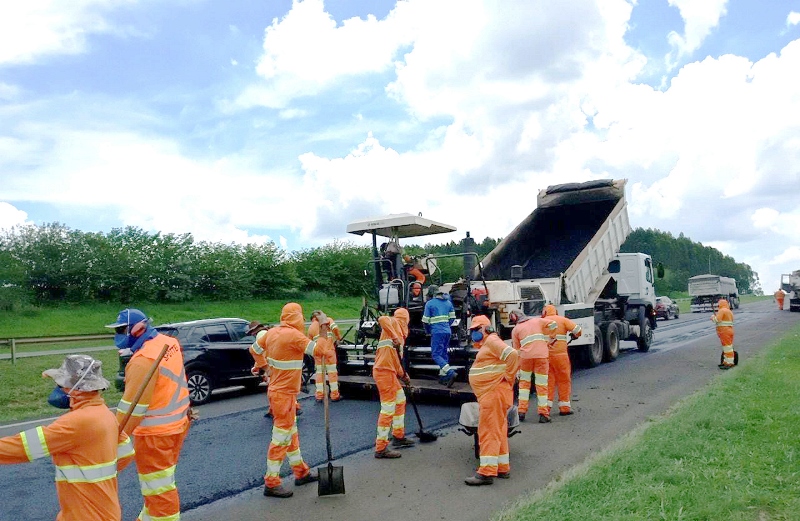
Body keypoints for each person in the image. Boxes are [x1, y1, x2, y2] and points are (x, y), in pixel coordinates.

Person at [0, 355, 135, 521]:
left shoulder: (75, 423)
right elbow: (126, 453)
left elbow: (21, 448)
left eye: (60, 384)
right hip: (104, 511)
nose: (57, 388)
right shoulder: (105, 414)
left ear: (77, 389)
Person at [107, 308, 190, 521]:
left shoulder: (142, 360)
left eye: (120, 329)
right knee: (160, 482)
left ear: (137, 329)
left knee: (159, 489)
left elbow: (131, 409)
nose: (117, 334)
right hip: (178, 424)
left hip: (155, 435)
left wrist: (113, 438)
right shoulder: (168, 343)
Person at [256, 303, 336, 498]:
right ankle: (271, 482)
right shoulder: (293, 336)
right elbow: (322, 351)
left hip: (282, 393)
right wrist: (324, 325)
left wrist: (263, 367)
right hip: (283, 394)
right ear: (296, 318)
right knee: (281, 437)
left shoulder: (272, 332)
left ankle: (301, 472)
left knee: (291, 435)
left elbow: (254, 350)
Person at [464, 315, 519, 486]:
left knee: (487, 430)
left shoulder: (492, 341)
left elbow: (513, 355)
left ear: (486, 329)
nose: (473, 333)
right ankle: (502, 467)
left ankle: (486, 472)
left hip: (493, 392)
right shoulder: (488, 343)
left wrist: (508, 378)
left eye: (476, 330)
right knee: (499, 429)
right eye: (472, 331)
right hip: (494, 392)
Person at [373, 308, 415, 459]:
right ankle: (381, 448)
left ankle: (398, 437)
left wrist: (403, 375)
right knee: (388, 409)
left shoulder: (401, 335)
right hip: (384, 372)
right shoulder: (394, 322)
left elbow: (396, 361)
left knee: (400, 400)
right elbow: (382, 319)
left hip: (389, 372)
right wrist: (394, 336)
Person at [510, 309, 557, 423]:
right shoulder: (537, 321)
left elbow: (517, 350)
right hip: (541, 356)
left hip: (525, 358)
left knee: (524, 385)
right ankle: (543, 414)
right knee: (541, 385)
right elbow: (553, 324)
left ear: (515, 319)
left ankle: (521, 412)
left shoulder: (515, 330)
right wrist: (551, 338)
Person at [542, 304, 582, 417]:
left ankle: (546, 408)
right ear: (556, 311)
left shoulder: (541, 322)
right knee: (564, 380)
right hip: (561, 356)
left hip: (546, 356)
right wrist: (575, 335)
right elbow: (578, 330)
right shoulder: (562, 320)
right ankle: (564, 407)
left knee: (548, 382)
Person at [422, 285, 457, 387]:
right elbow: (452, 318)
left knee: (436, 355)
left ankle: (450, 372)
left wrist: (428, 331)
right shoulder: (448, 302)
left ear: (431, 294)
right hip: (447, 331)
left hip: (437, 332)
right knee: (443, 353)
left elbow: (425, 321)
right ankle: (444, 377)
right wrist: (446, 326)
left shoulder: (430, 304)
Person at [307, 312, 343, 402]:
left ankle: (319, 395)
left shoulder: (311, 327)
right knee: (332, 373)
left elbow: (309, 342)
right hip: (329, 351)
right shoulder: (328, 320)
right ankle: (334, 395)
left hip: (319, 353)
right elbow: (335, 328)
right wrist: (338, 338)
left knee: (319, 374)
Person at [711, 299, 735, 369]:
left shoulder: (722, 311)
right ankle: (726, 361)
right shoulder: (729, 311)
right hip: (730, 330)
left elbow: (717, 320)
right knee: (728, 347)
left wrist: (712, 317)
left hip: (724, 331)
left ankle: (729, 363)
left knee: (727, 348)